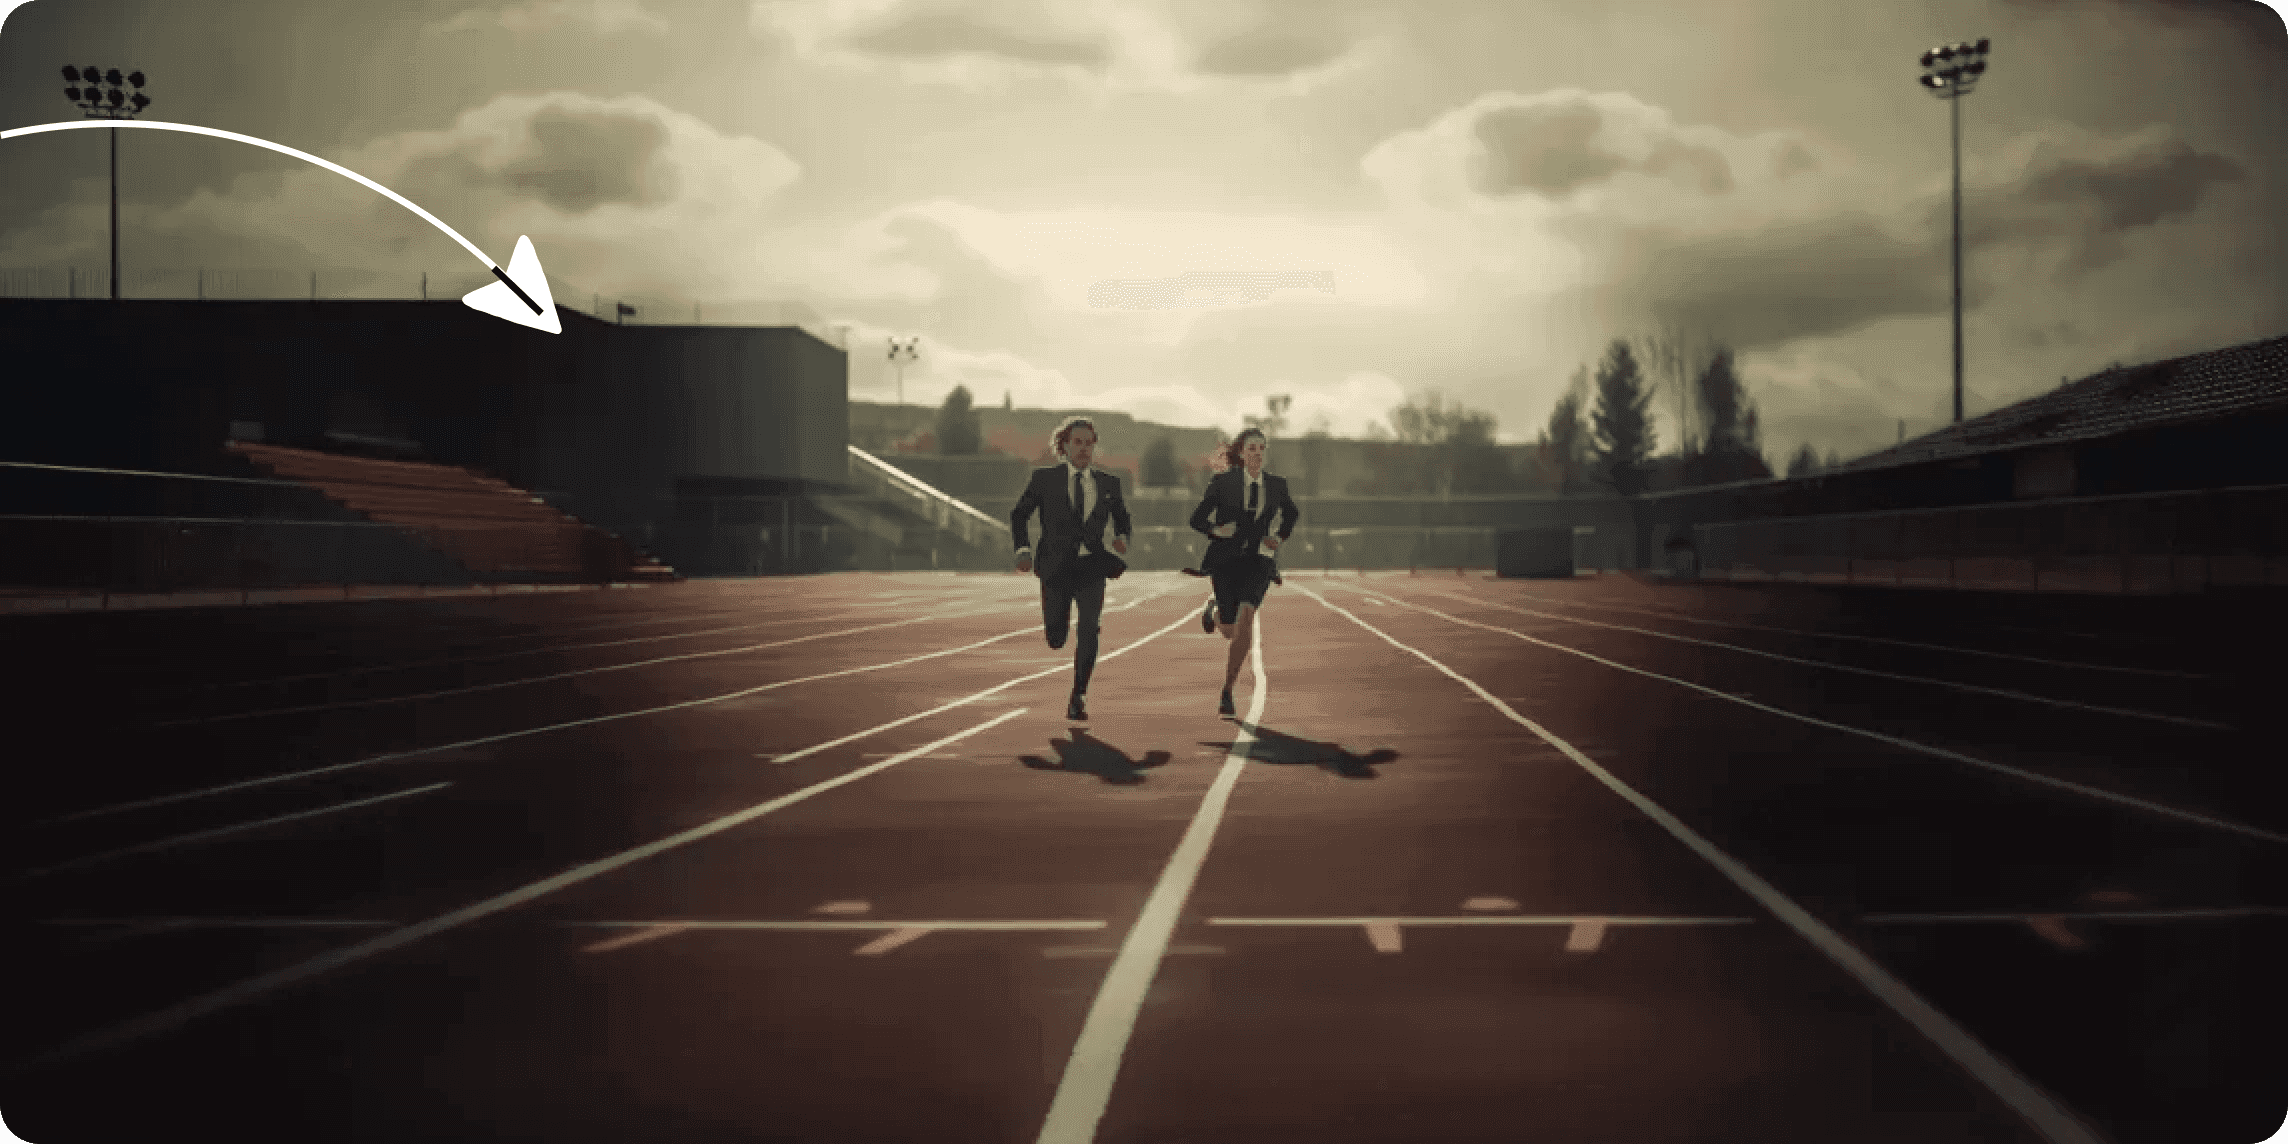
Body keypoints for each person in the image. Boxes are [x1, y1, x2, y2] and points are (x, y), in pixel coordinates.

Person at [1012, 417, 1131, 721]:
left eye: (1089, 443)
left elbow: (1122, 517)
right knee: (1056, 638)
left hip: (1091, 566)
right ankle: (1057, 631)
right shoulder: (1044, 479)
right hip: (1056, 567)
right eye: (1077, 442)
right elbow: (1020, 514)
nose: (1084, 449)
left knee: (1090, 627)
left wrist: (1121, 537)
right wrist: (1023, 549)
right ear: (1064, 446)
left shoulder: (1109, 483)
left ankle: (1079, 695)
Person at [1188, 426, 1299, 716]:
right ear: (1241, 452)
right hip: (1226, 561)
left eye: (1262, 448)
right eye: (1252, 448)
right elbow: (1197, 518)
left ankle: (1227, 690)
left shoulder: (1276, 485)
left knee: (1246, 619)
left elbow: (1291, 513)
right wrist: (1216, 530)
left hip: (1258, 562)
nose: (1258, 454)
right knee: (1229, 630)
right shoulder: (1223, 483)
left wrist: (1279, 537)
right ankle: (1213, 610)